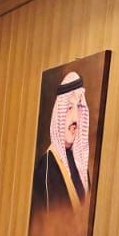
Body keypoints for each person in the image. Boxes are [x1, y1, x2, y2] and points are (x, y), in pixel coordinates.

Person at [31, 71, 92, 217]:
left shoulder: (81, 166)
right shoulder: (46, 166)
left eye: (79, 108)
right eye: (69, 108)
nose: (75, 118)